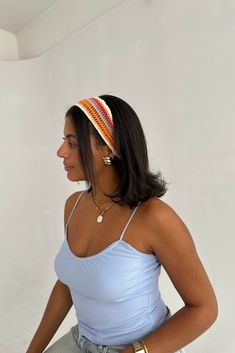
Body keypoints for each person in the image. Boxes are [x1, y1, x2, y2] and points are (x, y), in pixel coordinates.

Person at [26, 95, 218, 353]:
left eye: (72, 143)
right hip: (81, 341)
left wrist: (134, 351)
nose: (61, 151)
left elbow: (204, 308)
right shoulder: (73, 206)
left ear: (107, 149)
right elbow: (70, 283)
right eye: (64, 141)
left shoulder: (155, 218)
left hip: (142, 348)